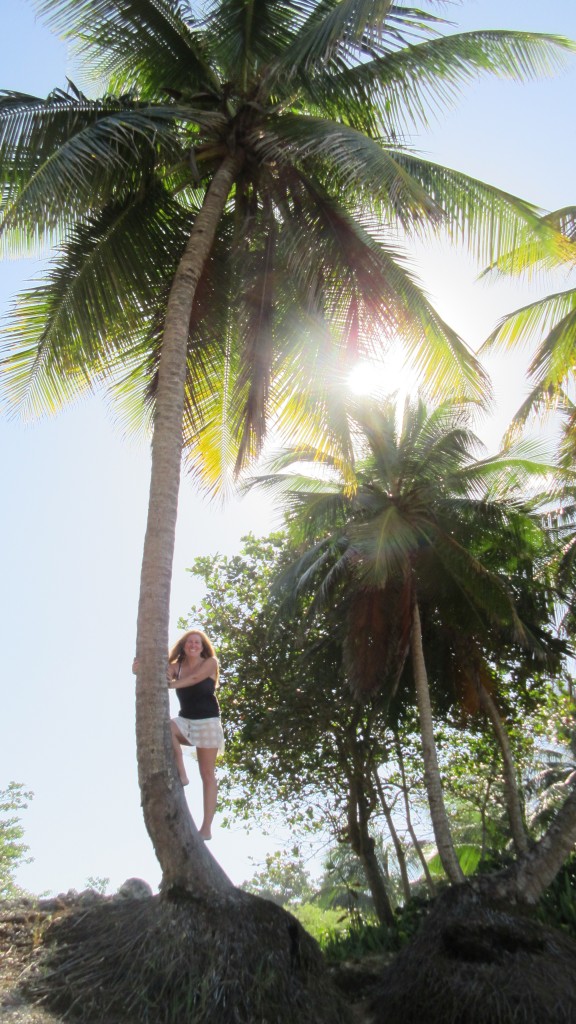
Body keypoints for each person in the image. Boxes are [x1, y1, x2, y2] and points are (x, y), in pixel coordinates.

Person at [132, 629, 224, 840]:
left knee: (207, 774)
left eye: (197, 643)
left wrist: (172, 684)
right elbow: (156, 672)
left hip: (208, 721)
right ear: (184, 646)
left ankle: (206, 828)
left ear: (203, 647)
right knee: (166, 727)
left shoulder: (210, 662)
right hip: (186, 720)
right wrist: (138, 670)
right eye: (189, 642)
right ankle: (181, 770)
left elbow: (196, 678)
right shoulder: (177, 667)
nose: (193, 645)